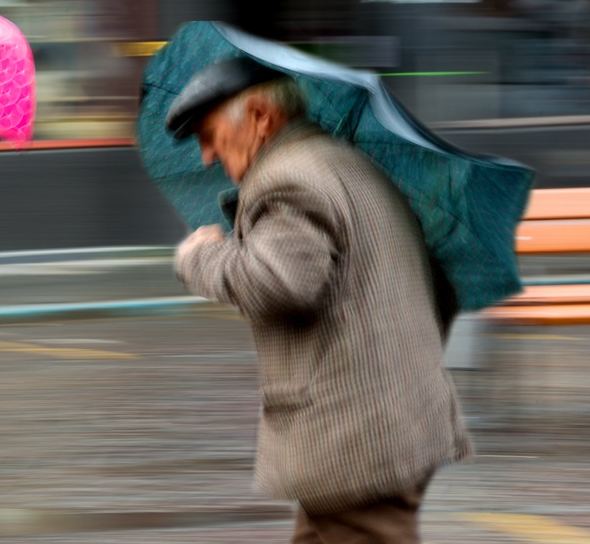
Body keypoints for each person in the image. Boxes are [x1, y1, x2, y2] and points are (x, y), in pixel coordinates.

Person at [167, 57, 472, 543]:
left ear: (261, 117)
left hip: (356, 438)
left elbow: (278, 285)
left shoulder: (289, 178)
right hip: (386, 421)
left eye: (209, 133)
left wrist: (200, 257)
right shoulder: (340, 162)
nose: (206, 155)